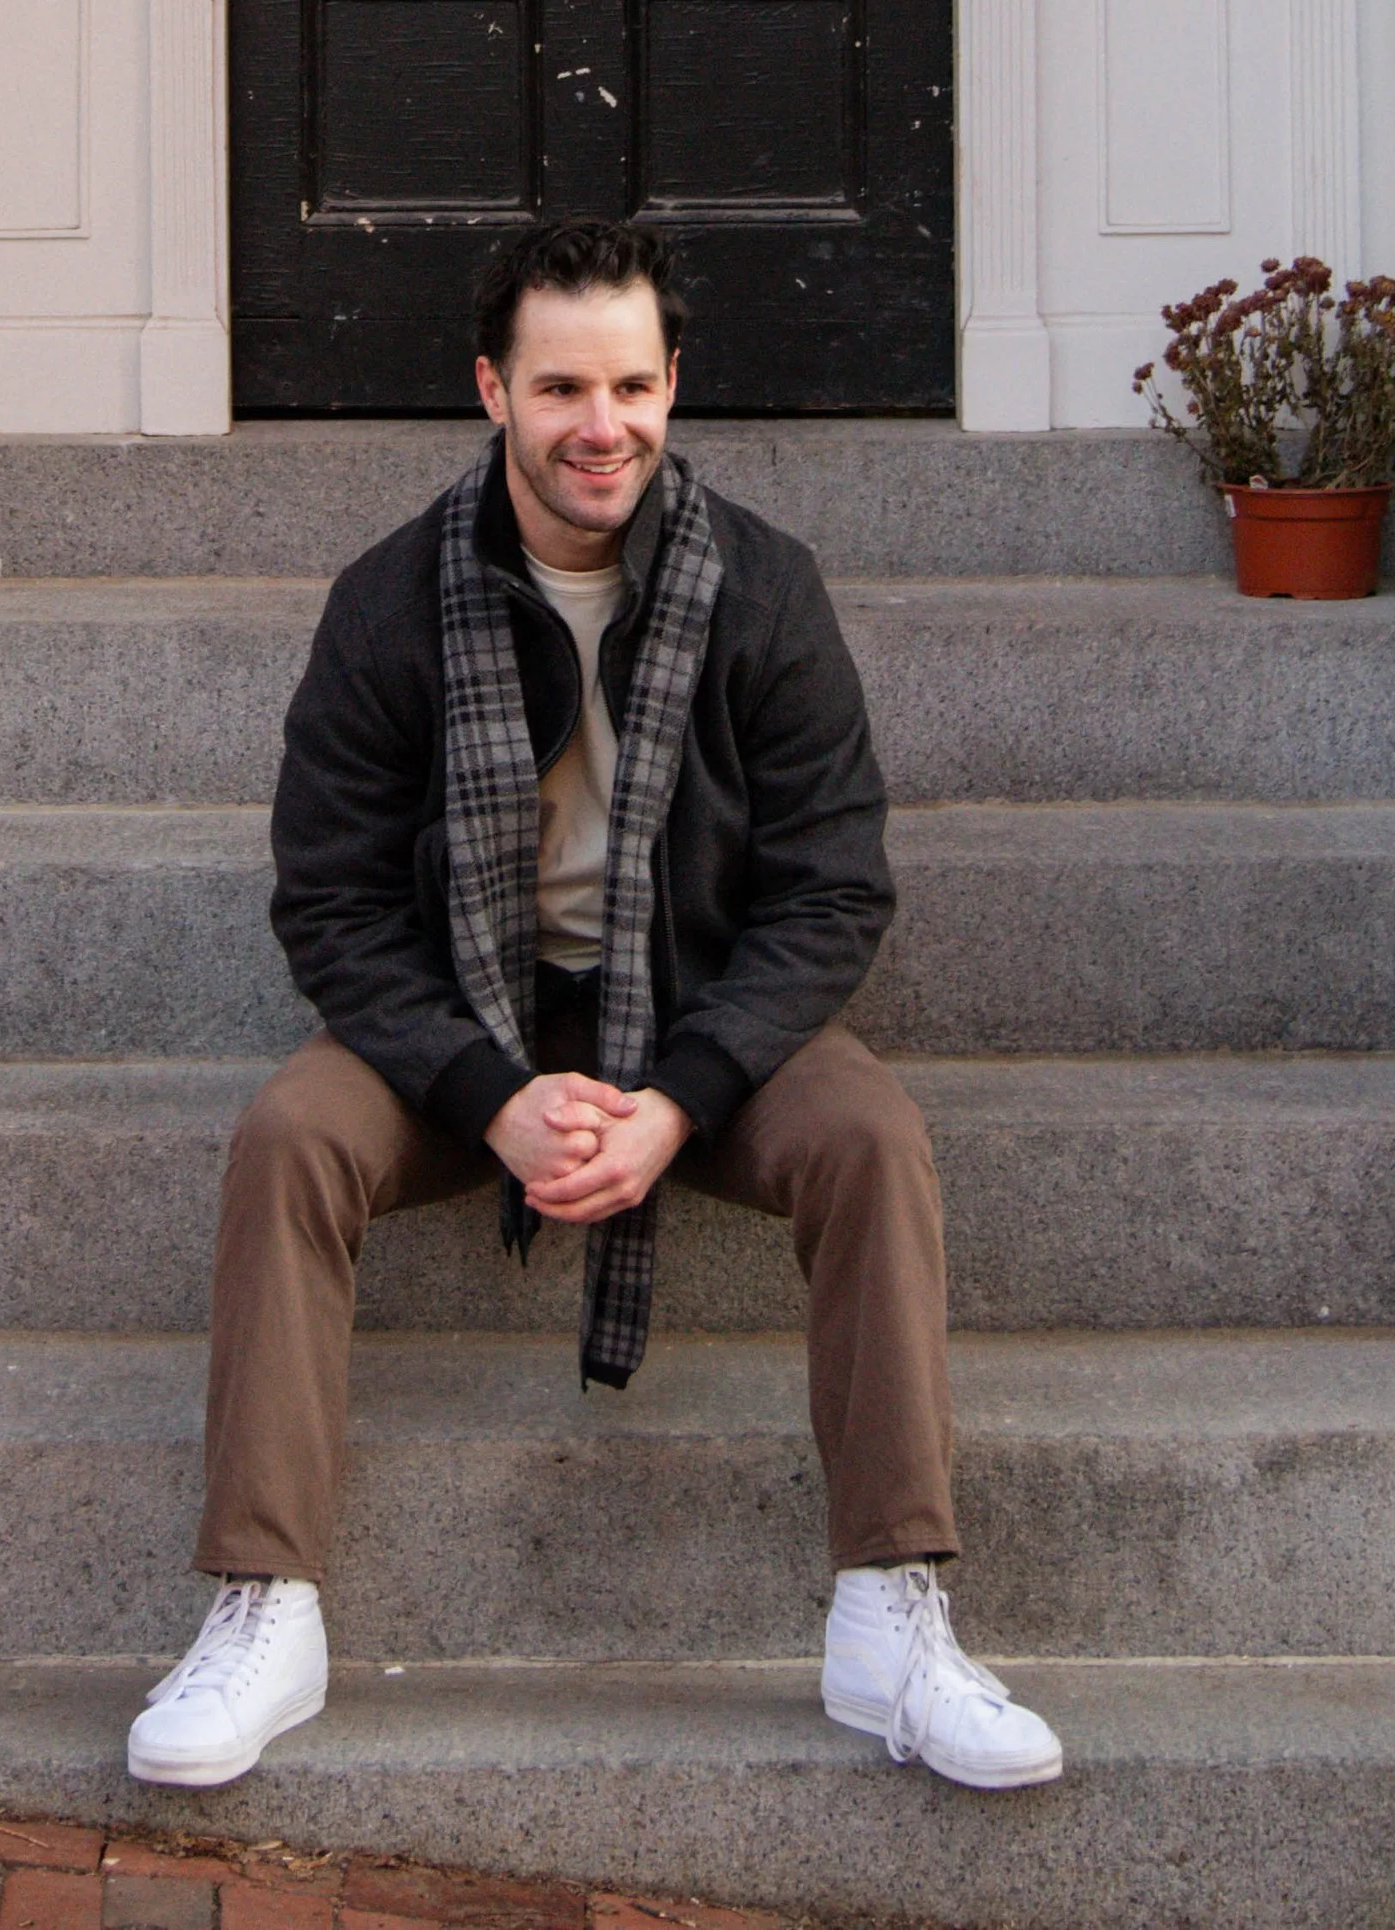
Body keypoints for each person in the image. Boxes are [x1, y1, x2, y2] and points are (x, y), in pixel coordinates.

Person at [126, 215, 1061, 1798]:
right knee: (292, 1133)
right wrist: (489, 1086)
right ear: (492, 387)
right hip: (463, 1028)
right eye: (561, 384)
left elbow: (834, 889)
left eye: (631, 383)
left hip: (694, 1023)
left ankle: (893, 1612)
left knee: (872, 1137)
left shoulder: (761, 590)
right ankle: (265, 1600)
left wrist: (684, 1093)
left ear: (675, 384)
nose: (599, 424)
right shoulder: (388, 602)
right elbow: (333, 904)